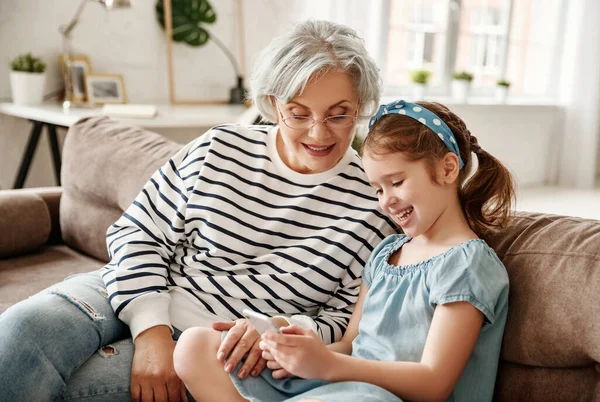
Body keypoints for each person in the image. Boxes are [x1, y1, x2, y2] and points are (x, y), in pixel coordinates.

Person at [0, 20, 396, 402]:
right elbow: (139, 230)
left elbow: (344, 322)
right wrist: (151, 332)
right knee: (21, 331)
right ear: (274, 104)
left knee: (71, 387)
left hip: (213, 351)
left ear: (360, 107)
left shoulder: (375, 203)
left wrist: (275, 330)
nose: (318, 132)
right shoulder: (221, 147)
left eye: (338, 114)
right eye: (299, 112)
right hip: (131, 288)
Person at [174, 99, 515, 402]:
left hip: (385, 395)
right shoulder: (387, 253)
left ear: (448, 168)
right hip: (343, 385)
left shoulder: (467, 263)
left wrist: (329, 365)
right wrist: (296, 351)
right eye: (377, 189)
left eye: (396, 182)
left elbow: (433, 383)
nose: (387, 201)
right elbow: (352, 345)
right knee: (196, 346)